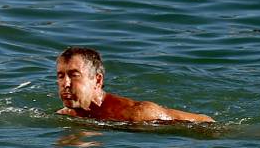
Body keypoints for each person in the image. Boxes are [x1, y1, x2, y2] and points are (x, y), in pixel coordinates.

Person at [55, 46, 213, 124]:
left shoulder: (138, 114)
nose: (65, 83)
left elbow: (206, 122)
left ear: (97, 80)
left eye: (74, 75)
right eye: (61, 76)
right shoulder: (64, 115)